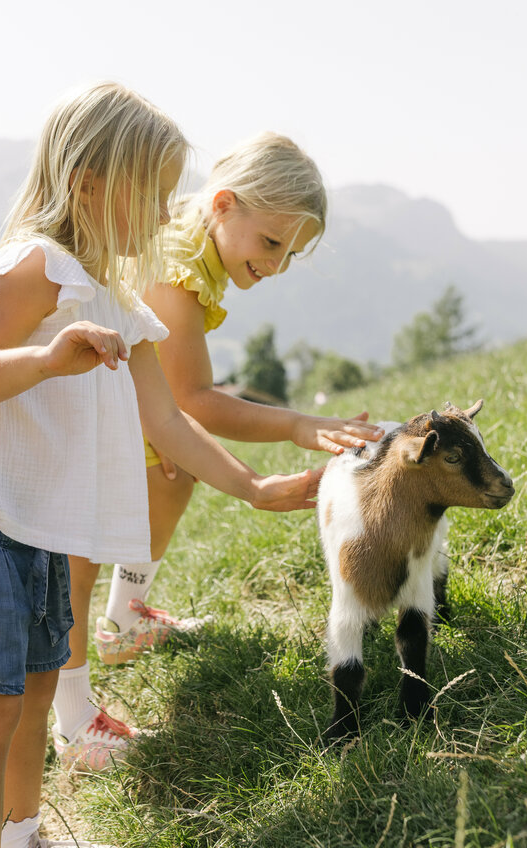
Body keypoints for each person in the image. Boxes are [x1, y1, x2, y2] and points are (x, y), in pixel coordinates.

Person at [0, 83, 320, 848]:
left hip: (32, 525)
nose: (165, 212)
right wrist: (43, 359)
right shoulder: (34, 264)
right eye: (154, 193)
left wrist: (252, 487)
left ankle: (24, 833)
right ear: (89, 182)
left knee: (39, 691)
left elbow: (165, 419)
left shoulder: (116, 302)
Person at [52, 132, 384, 771]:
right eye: (271, 243)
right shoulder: (177, 264)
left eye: (292, 251)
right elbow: (193, 398)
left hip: (117, 391)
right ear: (225, 205)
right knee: (78, 559)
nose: (279, 263)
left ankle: (126, 623)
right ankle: (73, 721)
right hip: (81, 404)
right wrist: (294, 425)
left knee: (174, 476)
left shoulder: (199, 245)